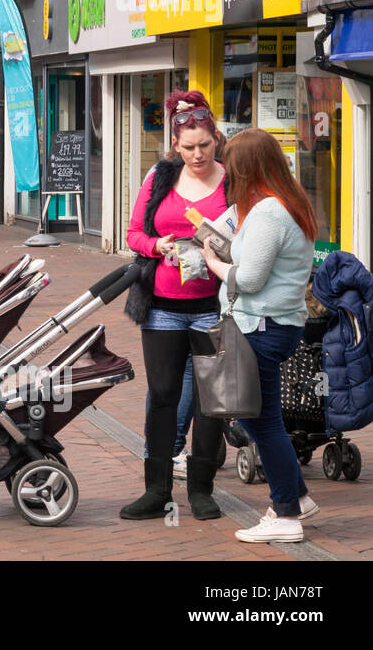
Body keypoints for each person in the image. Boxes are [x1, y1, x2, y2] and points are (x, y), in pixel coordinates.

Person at [201, 129, 319, 543]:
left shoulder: (269, 213)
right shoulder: (288, 202)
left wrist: (212, 261)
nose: (228, 177)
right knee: (258, 418)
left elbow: (248, 279)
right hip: (276, 323)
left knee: (262, 421)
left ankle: (286, 514)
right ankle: (297, 497)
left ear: (249, 168)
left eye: (233, 169)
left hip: (262, 325)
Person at [121, 91, 229, 522]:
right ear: (176, 146)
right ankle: (156, 489)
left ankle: (202, 489)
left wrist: (219, 248)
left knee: (211, 400)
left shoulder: (232, 179)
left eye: (204, 145)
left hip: (213, 305)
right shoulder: (160, 177)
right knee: (163, 396)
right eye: (188, 148)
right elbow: (133, 234)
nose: (197, 154)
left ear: (216, 139)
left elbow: (249, 237)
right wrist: (156, 244)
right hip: (163, 305)